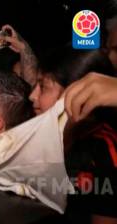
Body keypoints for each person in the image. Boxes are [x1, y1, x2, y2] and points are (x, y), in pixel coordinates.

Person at [29, 46, 117, 223]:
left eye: (43, 87)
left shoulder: (104, 153)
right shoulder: (37, 138)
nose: (32, 96)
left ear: (79, 93)